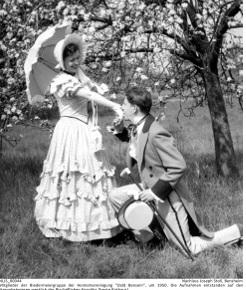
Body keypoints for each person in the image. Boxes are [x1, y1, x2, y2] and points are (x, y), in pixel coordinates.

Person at [109, 86, 243, 256]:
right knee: (115, 196)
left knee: (187, 249)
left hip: (166, 194)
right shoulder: (139, 127)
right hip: (148, 186)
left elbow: (178, 166)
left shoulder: (156, 132)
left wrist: (154, 192)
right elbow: (137, 145)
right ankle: (149, 239)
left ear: (134, 108)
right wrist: (121, 131)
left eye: (124, 104)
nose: (122, 108)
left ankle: (237, 231)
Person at [34, 33, 124, 242]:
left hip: (82, 128)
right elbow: (91, 96)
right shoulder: (63, 80)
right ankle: (69, 225)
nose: (76, 62)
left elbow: (92, 90)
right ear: (62, 61)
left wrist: (91, 82)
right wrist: (114, 105)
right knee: (74, 173)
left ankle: (95, 226)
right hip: (71, 131)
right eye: (71, 60)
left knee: (91, 173)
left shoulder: (77, 77)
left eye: (77, 58)